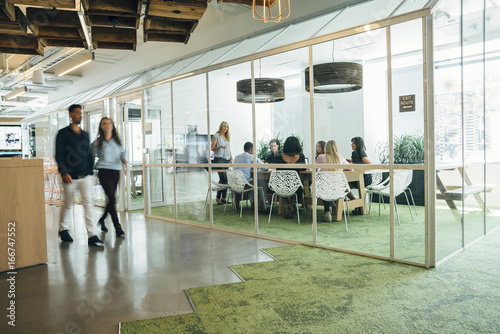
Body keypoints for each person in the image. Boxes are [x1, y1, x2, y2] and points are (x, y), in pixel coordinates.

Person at [55, 104, 103, 247]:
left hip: (85, 176)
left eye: (81, 113)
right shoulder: (63, 133)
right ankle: (63, 229)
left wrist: (91, 172)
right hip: (69, 177)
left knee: (88, 204)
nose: (79, 115)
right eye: (76, 113)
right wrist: (63, 171)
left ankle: (92, 235)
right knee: (68, 204)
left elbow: (88, 154)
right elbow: (59, 154)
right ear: (70, 114)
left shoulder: (85, 135)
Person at [91, 117, 127, 238]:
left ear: (112, 125)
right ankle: (117, 226)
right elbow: (89, 154)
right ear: (101, 127)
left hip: (116, 171)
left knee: (111, 199)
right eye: (104, 124)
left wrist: (125, 161)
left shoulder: (118, 140)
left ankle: (102, 219)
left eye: (109, 123)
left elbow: (122, 153)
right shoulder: (98, 142)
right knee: (112, 197)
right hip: (104, 171)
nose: (107, 125)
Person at [316, 140, 350, 222]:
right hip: (339, 189)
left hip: (324, 189)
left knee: (324, 185)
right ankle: (334, 205)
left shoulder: (320, 157)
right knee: (329, 186)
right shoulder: (340, 157)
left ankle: (327, 211)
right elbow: (350, 168)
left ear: (326, 147)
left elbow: (316, 170)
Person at [274, 136, 306, 219]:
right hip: (295, 187)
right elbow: (304, 169)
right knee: (300, 188)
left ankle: (288, 205)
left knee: (279, 188)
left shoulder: (278, 158)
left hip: (281, 186)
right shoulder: (301, 157)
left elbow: (277, 171)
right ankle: (291, 205)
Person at [233, 142, 268, 211]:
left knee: (252, 181)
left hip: (235, 183)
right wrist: (265, 164)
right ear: (251, 150)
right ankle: (262, 206)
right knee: (261, 183)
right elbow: (265, 168)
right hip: (245, 184)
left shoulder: (236, 157)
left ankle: (252, 204)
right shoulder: (251, 157)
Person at [349, 136, 372, 215]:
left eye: (353, 143)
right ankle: (357, 205)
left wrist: (357, 166)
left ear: (357, 144)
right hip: (359, 178)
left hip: (365, 179)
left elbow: (370, 164)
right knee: (345, 185)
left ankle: (357, 205)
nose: (351, 145)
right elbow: (352, 164)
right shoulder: (354, 153)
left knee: (345, 185)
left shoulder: (361, 153)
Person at [211, 121, 232, 205]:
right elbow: (212, 148)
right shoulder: (216, 136)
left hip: (227, 159)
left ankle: (223, 198)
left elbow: (228, 149)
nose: (225, 128)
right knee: (222, 178)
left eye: (227, 127)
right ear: (221, 127)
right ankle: (217, 198)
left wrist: (231, 157)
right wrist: (220, 147)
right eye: (224, 126)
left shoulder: (227, 137)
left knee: (226, 179)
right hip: (219, 158)